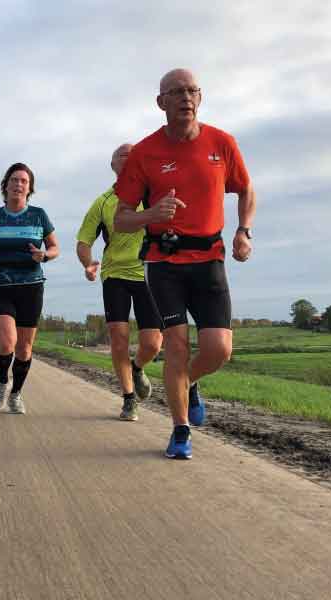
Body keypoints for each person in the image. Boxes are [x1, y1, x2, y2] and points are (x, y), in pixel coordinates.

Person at [114, 68, 256, 459]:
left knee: (218, 349)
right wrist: (151, 214)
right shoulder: (144, 153)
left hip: (209, 258)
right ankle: (180, 431)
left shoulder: (221, 143)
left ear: (200, 97)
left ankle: (186, 383)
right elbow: (122, 217)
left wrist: (244, 230)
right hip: (165, 260)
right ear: (161, 102)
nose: (185, 98)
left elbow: (245, 189)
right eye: (176, 92)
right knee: (175, 346)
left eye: (192, 91)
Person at [76, 144, 163, 421]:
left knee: (152, 343)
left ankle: (137, 368)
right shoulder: (103, 202)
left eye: (133, 154)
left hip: (148, 273)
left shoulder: (153, 193)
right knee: (118, 337)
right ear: (112, 164)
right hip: (114, 274)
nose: (128, 158)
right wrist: (88, 262)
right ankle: (128, 398)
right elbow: (83, 241)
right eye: (121, 155)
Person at [0, 163, 60, 414]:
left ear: (29, 188)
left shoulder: (39, 215)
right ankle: (3, 381)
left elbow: (55, 248)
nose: (19, 184)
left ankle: (16, 393)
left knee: (24, 348)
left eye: (24, 181)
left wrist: (44, 256)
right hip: (0, 284)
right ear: (6, 185)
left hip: (31, 287)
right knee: (7, 342)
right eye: (14, 180)